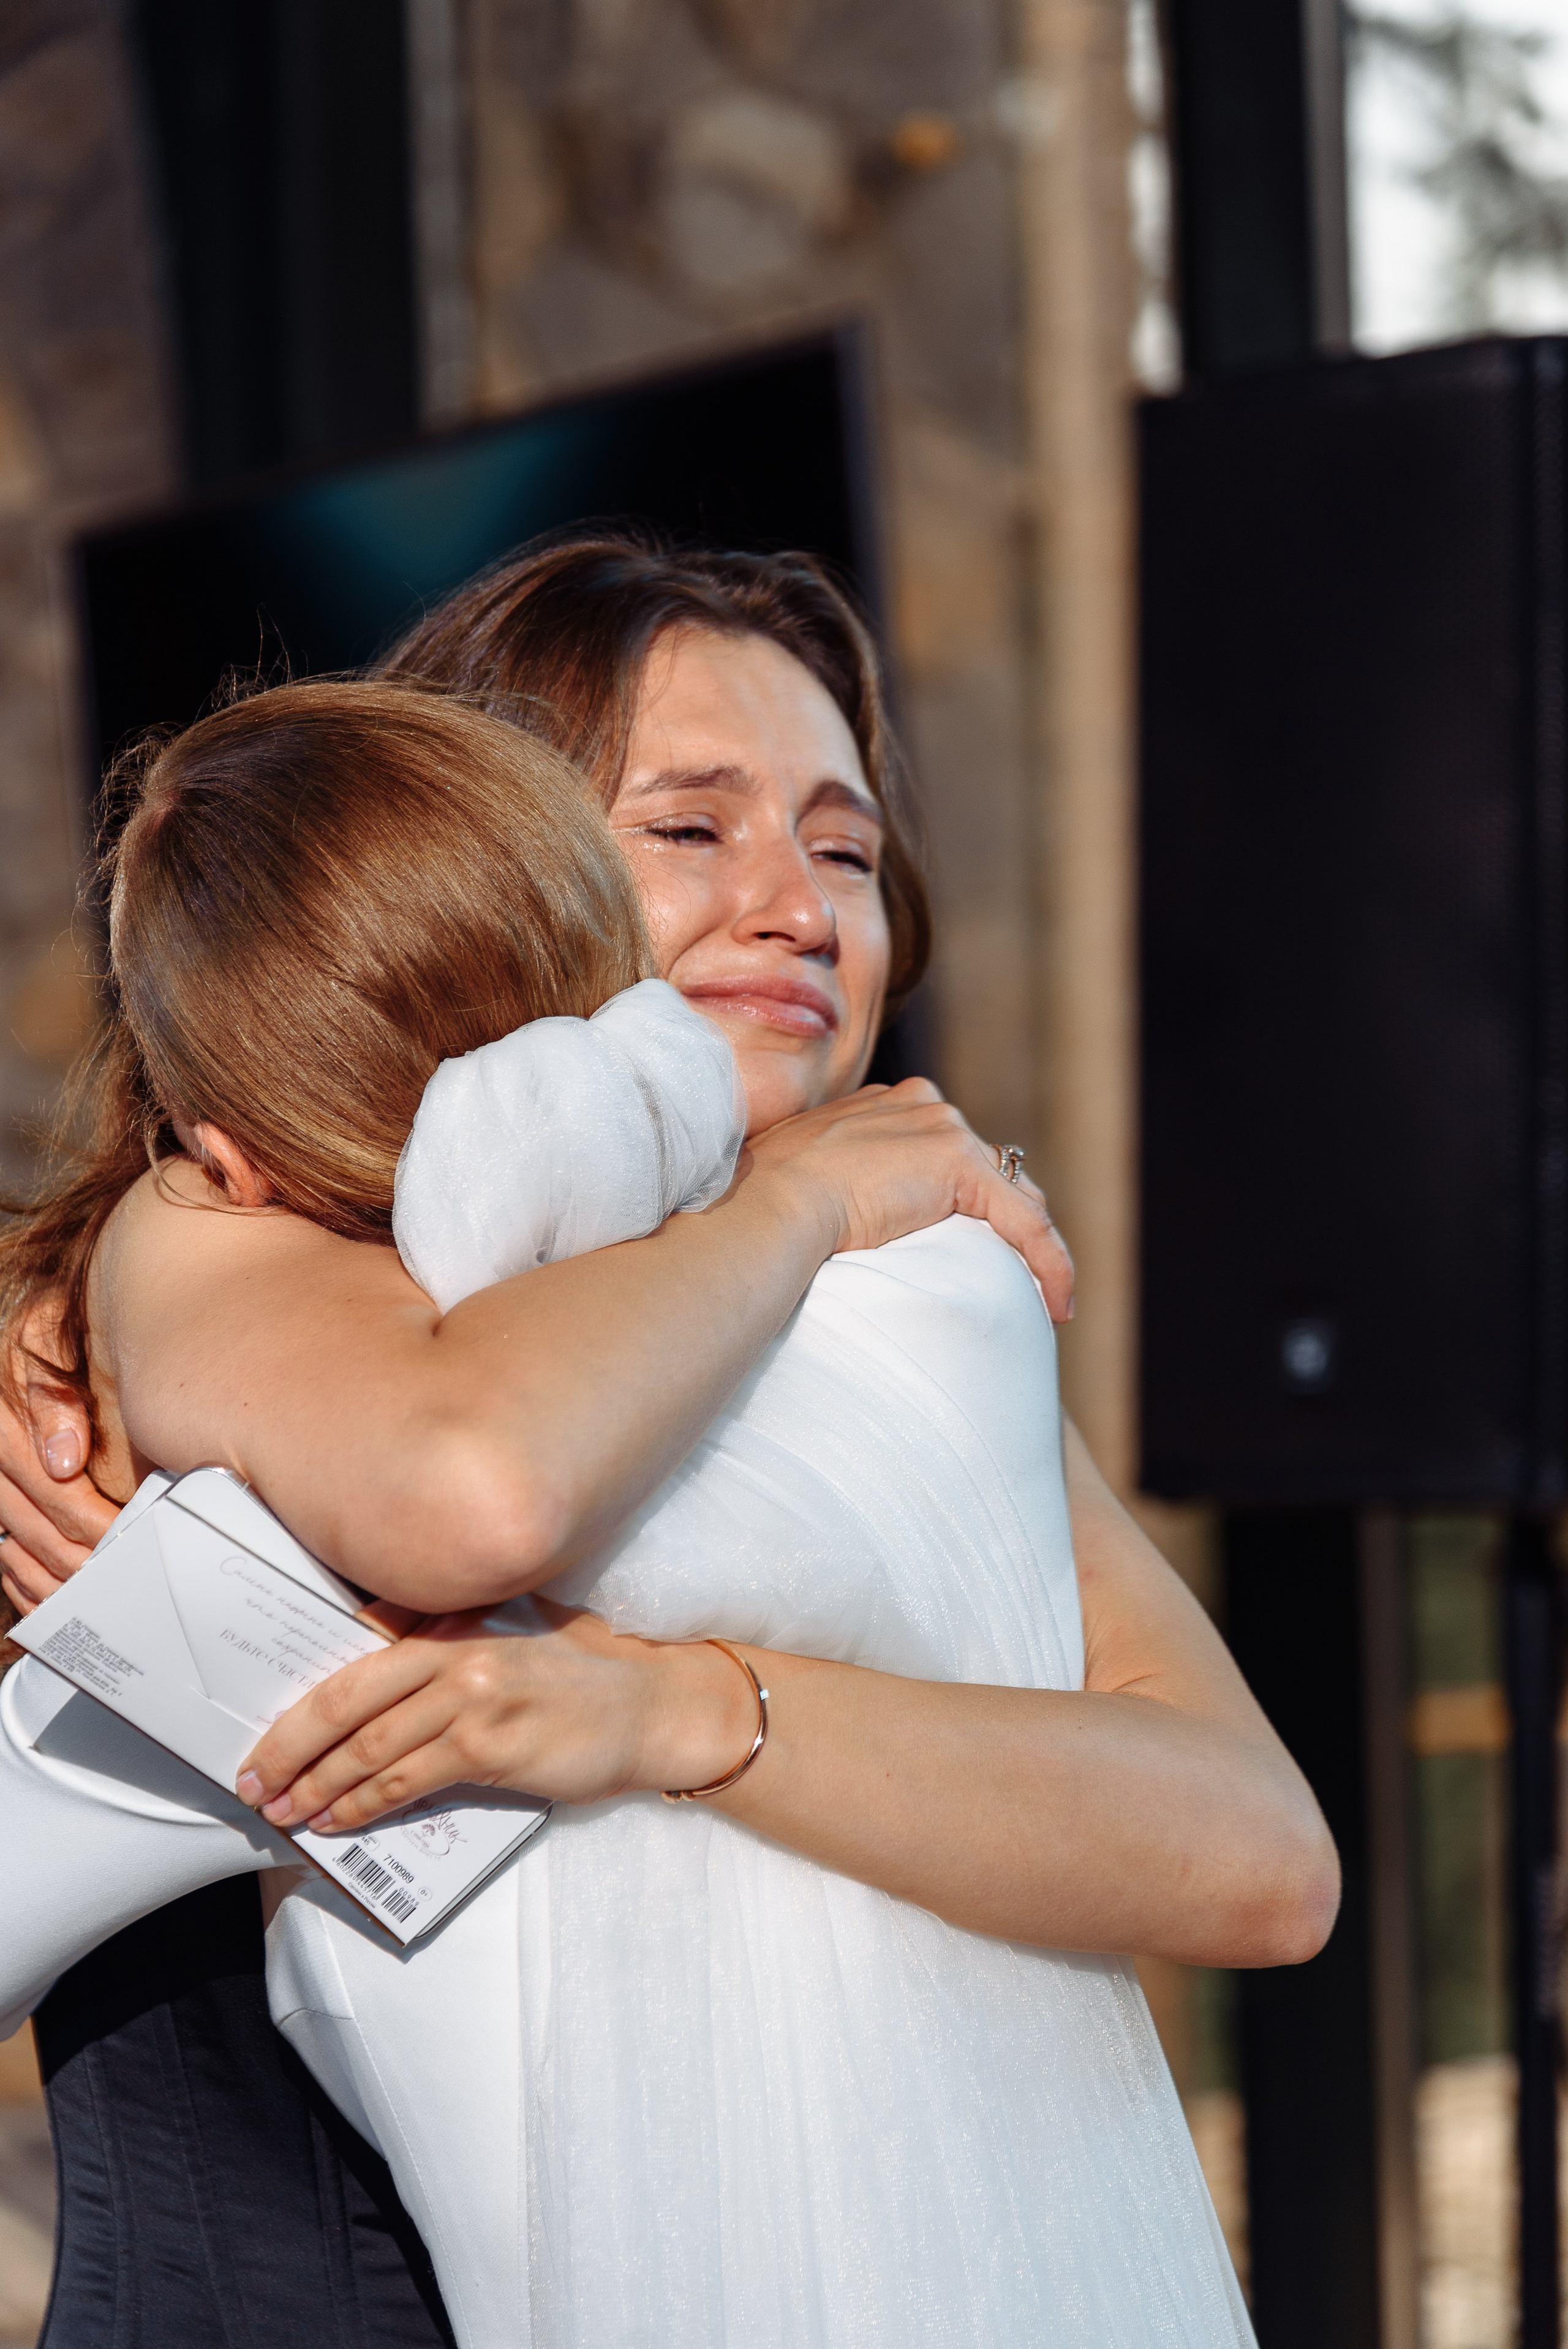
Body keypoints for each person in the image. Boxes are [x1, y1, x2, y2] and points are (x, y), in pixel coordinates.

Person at [0, 545, 1334, 2346]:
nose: (798, 906)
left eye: (846, 846)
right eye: (694, 831)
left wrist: (690, 1705)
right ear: (474, 855)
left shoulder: (907, 1329)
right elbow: (469, 1486)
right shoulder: (227, 1250)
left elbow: (1256, 1851)